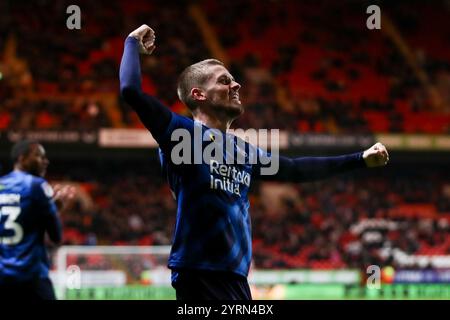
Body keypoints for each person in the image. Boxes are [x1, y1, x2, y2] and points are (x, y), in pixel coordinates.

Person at [119, 25, 389, 300]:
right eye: (224, 81)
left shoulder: (242, 150)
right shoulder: (182, 135)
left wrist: (360, 160)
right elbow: (130, 90)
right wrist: (131, 42)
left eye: (233, 80)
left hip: (235, 278)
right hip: (200, 275)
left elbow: (294, 170)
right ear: (198, 94)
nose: (236, 85)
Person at [0, 140, 75, 300]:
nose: (45, 161)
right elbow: (56, 236)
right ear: (22, 158)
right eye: (39, 156)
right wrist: (56, 208)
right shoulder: (37, 185)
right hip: (31, 278)